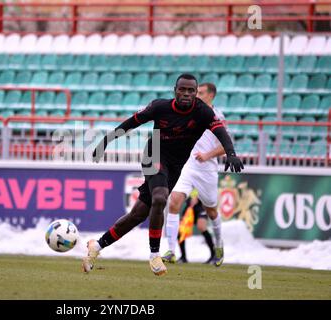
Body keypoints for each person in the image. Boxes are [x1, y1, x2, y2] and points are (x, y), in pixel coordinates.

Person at [82, 74, 244, 276]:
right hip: (154, 154)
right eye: (182, 89)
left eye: (190, 90)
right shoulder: (160, 107)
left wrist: (231, 153)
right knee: (160, 198)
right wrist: (106, 140)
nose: (186, 94)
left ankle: (96, 246)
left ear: (195, 93)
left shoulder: (203, 112)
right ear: (174, 90)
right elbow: (132, 122)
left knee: (138, 214)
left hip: (175, 166)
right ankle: (155, 255)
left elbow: (221, 133)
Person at [162, 82, 226, 267]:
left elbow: (225, 145)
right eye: (196, 92)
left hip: (206, 169)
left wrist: (207, 155)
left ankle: (219, 244)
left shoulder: (217, 117)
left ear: (211, 95)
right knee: (174, 201)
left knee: (212, 210)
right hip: (187, 166)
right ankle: (171, 251)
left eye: (200, 92)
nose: (196, 95)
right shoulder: (188, 112)